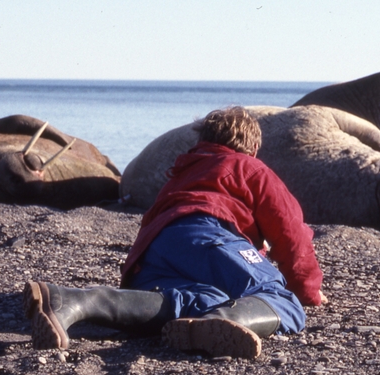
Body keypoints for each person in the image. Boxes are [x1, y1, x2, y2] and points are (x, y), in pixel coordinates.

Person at [24, 106, 324, 359]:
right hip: (208, 236)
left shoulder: (182, 173)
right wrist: (307, 291)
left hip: (154, 252)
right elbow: (291, 233)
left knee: (200, 299)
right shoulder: (250, 167)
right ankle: (224, 321)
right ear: (254, 148)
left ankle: (78, 301)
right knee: (280, 299)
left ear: (202, 141)